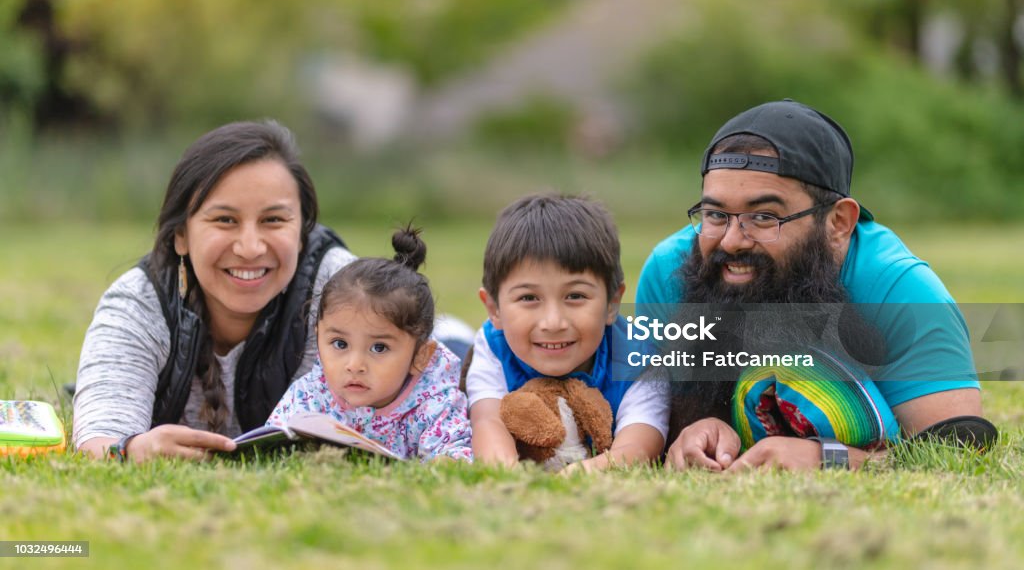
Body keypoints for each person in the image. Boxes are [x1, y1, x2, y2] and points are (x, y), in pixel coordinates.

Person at [636, 99, 984, 471]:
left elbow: (956, 452)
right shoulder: (668, 272)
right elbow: (644, 419)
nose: (731, 241)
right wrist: (690, 431)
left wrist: (829, 458)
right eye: (715, 215)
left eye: (764, 217)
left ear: (838, 223)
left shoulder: (901, 290)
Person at [73, 121, 358, 461]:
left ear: (301, 233)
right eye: (225, 220)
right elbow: (100, 437)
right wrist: (134, 449)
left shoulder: (343, 290)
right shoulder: (139, 302)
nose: (250, 248)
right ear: (181, 234)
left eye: (273, 220)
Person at [466, 193, 668, 471]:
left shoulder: (640, 357)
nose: (553, 322)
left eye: (574, 295)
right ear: (494, 309)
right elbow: (487, 421)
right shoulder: (492, 346)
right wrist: (507, 473)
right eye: (528, 298)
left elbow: (641, 442)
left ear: (612, 303)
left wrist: (586, 472)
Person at [267, 226, 472, 462]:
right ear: (318, 338)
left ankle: (457, 332)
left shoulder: (435, 400)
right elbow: (273, 443)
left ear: (420, 356)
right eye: (340, 344)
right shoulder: (311, 393)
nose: (355, 365)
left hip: (457, 348)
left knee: (461, 346)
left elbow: (455, 452)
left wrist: (445, 461)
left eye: (379, 348)